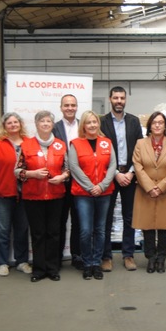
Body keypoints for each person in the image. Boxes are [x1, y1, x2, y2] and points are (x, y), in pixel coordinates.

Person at [17, 111, 69, 282]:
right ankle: (39, 270)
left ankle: (53, 268)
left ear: (52, 125)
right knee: (38, 234)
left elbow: (67, 168)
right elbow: (17, 171)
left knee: (54, 233)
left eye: (48, 121)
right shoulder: (26, 145)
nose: (45, 124)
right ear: (36, 124)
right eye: (42, 121)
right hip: (33, 197)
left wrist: (62, 177)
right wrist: (32, 174)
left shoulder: (61, 145)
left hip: (56, 196)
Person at [69, 111, 116, 280]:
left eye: (94, 122)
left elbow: (112, 166)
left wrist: (102, 186)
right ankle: (87, 263)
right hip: (83, 194)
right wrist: (91, 187)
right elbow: (74, 168)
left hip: (104, 192)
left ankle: (97, 263)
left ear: (98, 124)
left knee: (100, 230)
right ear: (83, 125)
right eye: (88, 122)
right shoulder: (75, 144)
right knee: (85, 230)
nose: (92, 125)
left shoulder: (106, 143)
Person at [131, 112, 166, 274]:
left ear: (165, 126)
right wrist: (150, 187)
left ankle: (161, 259)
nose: (158, 125)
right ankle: (150, 258)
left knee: (164, 226)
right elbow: (137, 165)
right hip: (145, 191)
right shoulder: (140, 144)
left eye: (161, 122)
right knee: (148, 226)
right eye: (154, 123)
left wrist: (161, 187)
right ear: (150, 126)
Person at [100, 86, 143, 271]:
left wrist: (131, 172)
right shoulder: (102, 122)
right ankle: (106, 256)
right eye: (116, 97)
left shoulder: (133, 121)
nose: (119, 101)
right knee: (106, 217)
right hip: (110, 175)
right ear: (110, 99)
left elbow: (140, 148)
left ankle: (128, 255)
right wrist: (116, 173)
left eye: (122, 98)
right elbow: (101, 151)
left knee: (129, 217)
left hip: (130, 175)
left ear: (125, 100)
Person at [0, 112, 30, 277]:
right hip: (3, 193)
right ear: (4, 126)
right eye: (9, 123)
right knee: (3, 230)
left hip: (25, 194)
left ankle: (22, 262)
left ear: (20, 124)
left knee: (22, 229)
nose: (13, 125)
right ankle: (3, 262)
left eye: (15, 122)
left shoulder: (29, 143)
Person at [52, 94, 82, 270]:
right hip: (61, 182)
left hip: (80, 182)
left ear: (77, 107)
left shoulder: (83, 127)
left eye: (73, 105)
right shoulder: (54, 128)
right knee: (60, 220)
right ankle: (57, 257)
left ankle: (77, 256)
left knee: (78, 221)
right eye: (66, 105)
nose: (70, 108)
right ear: (61, 107)